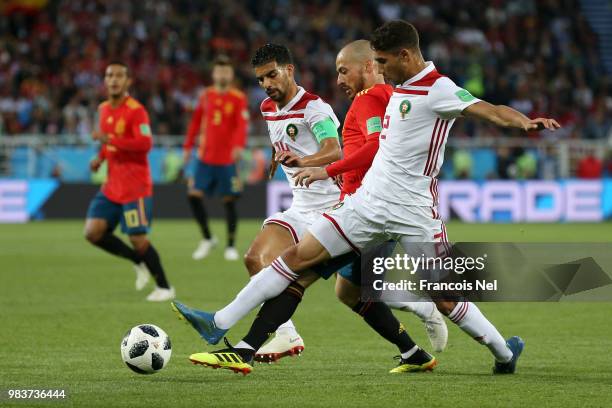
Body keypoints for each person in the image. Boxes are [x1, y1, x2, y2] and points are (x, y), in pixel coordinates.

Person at [173, 42, 442, 374]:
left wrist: (306, 160)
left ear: (289, 70)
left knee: (340, 291)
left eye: (272, 75)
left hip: (335, 207)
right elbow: (287, 142)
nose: (267, 84)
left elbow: (334, 149)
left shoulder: (314, 108)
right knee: (256, 258)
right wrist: (279, 156)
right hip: (301, 207)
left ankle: (416, 324)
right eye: (260, 79)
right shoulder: (268, 109)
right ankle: (284, 334)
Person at [84, 62, 174, 302]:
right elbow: (107, 145)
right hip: (112, 186)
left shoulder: (136, 111)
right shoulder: (103, 109)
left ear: (128, 81)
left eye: (119, 76)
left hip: (135, 187)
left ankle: (165, 287)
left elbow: (145, 144)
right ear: (105, 80)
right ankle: (137, 260)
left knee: (137, 238)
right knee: (93, 233)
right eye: (109, 75)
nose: (113, 80)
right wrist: (100, 159)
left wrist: (109, 138)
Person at [183, 56, 249, 261]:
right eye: (219, 71)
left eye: (226, 71)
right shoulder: (205, 95)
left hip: (227, 160)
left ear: (231, 75)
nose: (222, 75)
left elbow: (241, 125)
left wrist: (238, 145)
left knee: (229, 201)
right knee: (193, 195)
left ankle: (230, 245)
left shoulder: (238, 98)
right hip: (204, 157)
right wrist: (187, 146)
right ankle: (207, 238)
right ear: (213, 74)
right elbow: (195, 122)